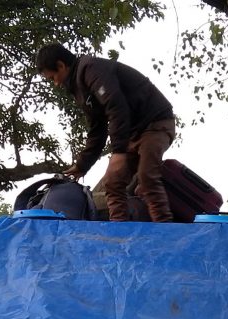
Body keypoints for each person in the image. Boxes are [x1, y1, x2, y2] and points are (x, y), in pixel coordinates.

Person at [35, 43, 176, 222]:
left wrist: (118, 151)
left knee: (146, 176)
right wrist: (82, 165)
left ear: (61, 65)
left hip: (155, 123)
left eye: (53, 77)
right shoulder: (80, 88)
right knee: (113, 182)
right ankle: (119, 231)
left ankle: (166, 231)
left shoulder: (92, 69)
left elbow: (116, 107)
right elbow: (97, 129)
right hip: (132, 134)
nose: (55, 83)